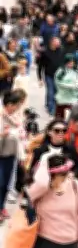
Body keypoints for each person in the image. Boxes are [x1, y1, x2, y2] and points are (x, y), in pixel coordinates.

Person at [0, 90, 25, 222]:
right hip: (1, 154)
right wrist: (2, 135)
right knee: (1, 183)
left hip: (11, 154)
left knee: (5, 185)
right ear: (9, 104)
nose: (17, 108)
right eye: (16, 105)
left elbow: (21, 133)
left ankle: (2, 206)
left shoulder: (15, 116)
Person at [36, 36, 65, 116]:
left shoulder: (61, 51)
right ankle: (51, 109)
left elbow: (63, 64)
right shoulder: (45, 52)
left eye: (59, 42)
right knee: (50, 92)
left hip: (58, 76)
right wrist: (40, 78)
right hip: (48, 75)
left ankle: (50, 105)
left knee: (56, 92)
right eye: (57, 42)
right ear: (52, 42)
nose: (59, 43)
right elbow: (40, 66)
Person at [53, 54, 78, 118]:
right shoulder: (61, 71)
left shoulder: (77, 71)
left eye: (73, 62)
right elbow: (58, 83)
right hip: (62, 99)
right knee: (60, 120)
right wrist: (70, 86)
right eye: (69, 62)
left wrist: (77, 86)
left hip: (73, 99)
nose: (71, 64)